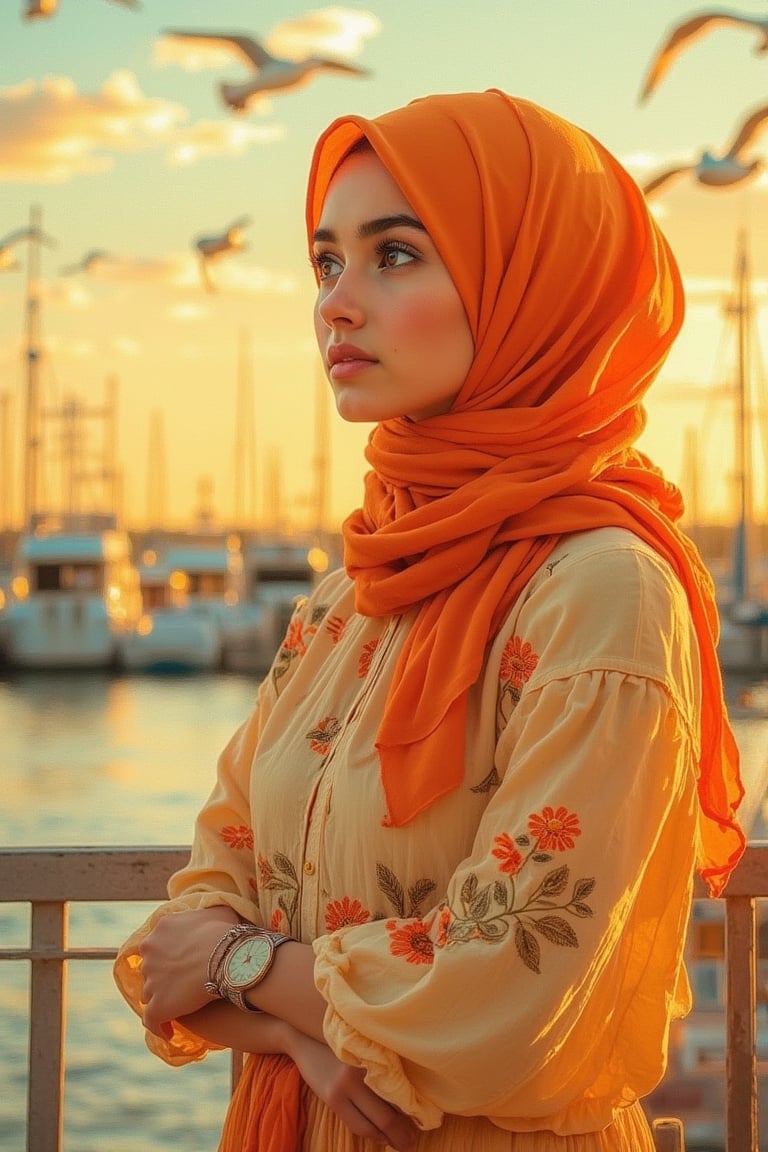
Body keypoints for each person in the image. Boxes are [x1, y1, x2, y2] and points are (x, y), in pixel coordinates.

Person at [114, 88, 746, 1152]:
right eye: (325, 263)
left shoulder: (601, 591)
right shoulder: (352, 590)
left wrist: (249, 973)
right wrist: (311, 1038)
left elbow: (511, 995)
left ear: (532, 287)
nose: (335, 304)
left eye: (394, 255)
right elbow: (189, 918)